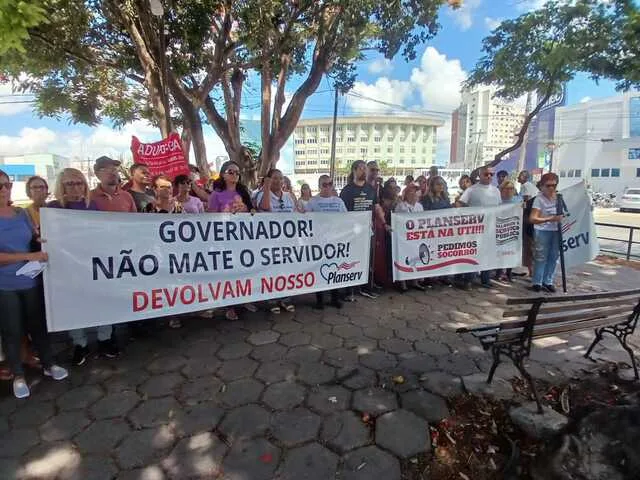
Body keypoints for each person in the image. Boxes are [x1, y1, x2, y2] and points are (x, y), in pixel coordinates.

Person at [0, 169, 68, 398]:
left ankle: (49, 364)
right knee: (12, 330)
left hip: (30, 278)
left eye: (7, 185)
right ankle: (18, 375)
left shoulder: (21, 213)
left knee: (37, 325)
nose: (4, 190)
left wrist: (42, 241)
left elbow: (33, 238)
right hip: (5, 284)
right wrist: (28, 257)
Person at [47, 168, 109, 364]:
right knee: (74, 303)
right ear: (61, 186)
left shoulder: (93, 206)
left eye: (79, 182)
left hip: (93, 262)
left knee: (103, 300)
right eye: (69, 183)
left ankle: (105, 339)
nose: (75, 187)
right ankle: (79, 343)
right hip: (67, 265)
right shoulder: (53, 208)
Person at [89, 155, 135, 356]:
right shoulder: (89, 197)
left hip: (125, 254)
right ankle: (103, 339)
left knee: (121, 293)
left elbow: (137, 223)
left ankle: (119, 331)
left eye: (115, 170)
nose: (113, 173)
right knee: (104, 297)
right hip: (100, 255)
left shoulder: (126, 197)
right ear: (97, 174)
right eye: (108, 170)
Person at [208, 161, 257, 319]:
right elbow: (211, 216)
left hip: (243, 238)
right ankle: (229, 306)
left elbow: (252, 210)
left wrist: (250, 210)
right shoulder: (216, 194)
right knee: (229, 273)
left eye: (237, 172)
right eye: (231, 171)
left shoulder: (243, 191)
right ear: (223, 174)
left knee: (244, 270)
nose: (234, 175)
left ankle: (245, 299)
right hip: (225, 240)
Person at [340, 160, 387, 299]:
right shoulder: (347, 190)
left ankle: (367, 287)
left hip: (367, 231)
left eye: (365, 168)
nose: (364, 171)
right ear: (354, 171)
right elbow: (343, 213)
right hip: (352, 233)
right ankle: (349, 290)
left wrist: (384, 223)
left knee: (368, 260)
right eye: (360, 168)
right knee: (351, 260)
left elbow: (377, 207)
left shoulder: (370, 189)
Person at [257, 168, 296, 313]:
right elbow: (265, 207)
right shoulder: (262, 194)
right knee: (271, 272)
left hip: (286, 242)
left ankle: (285, 299)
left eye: (281, 178)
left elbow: (294, 214)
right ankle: (272, 300)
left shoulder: (288, 196)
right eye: (274, 178)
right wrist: (266, 187)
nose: (278, 181)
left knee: (285, 271)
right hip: (269, 242)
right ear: (268, 179)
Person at [457, 166, 502, 288]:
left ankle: (485, 279)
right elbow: (460, 204)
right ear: (480, 175)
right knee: (473, 254)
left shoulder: (496, 191)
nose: (489, 177)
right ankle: (468, 280)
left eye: (491, 175)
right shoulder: (471, 190)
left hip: (491, 228)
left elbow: (500, 208)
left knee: (488, 254)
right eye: (486, 174)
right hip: (475, 229)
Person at [306, 175, 346, 310]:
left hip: (336, 242)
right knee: (319, 270)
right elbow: (305, 221)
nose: (328, 187)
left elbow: (347, 219)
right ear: (319, 186)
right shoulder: (312, 201)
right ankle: (319, 300)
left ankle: (334, 298)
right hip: (318, 242)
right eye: (325, 184)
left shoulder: (339, 201)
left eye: (330, 184)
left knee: (335, 269)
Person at [529, 172, 564, 293]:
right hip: (542, 230)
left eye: (554, 185)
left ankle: (548, 280)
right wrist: (550, 219)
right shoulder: (539, 199)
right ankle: (537, 282)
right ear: (542, 186)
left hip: (556, 231)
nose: (551, 188)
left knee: (554, 256)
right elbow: (533, 218)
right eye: (548, 185)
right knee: (541, 257)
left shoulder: (559, 198)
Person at [394, 184, 426, 292]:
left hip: (416, 237)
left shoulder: (419, 206)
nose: (413, 195)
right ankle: (403, 284)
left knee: (417, 258)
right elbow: (397, 221)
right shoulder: (401, 206)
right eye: (411, 193)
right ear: (406, 195)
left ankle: (415, 282)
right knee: (404, 258)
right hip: (404, 237)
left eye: (415, 193)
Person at [495, 180, 521, 282]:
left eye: (511, 188)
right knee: (500, 252)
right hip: (500, 229)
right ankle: (499, 273)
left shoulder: (518, 201)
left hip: (513, 229)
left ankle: (509, 273)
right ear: (501, 190)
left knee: (512, 252)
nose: (509, 191)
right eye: (507, 188)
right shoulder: (497, 201)